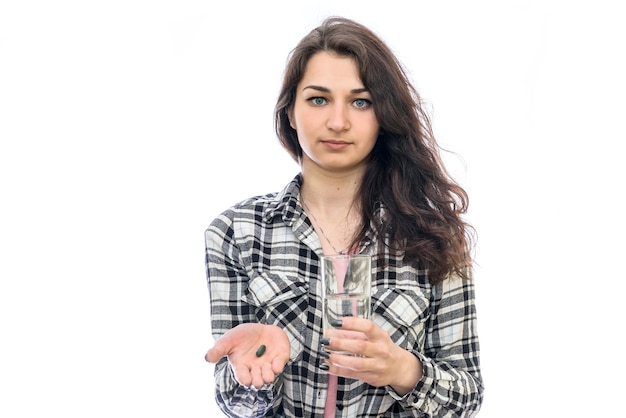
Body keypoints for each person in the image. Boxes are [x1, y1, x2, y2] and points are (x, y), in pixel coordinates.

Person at [204, 16, 483, 417]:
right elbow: (236, 405)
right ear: (290, 112)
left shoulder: (433, 233)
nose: (338, 121)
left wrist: (404, 370)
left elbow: (467, 395)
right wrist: (256, 374)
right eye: (318, 99)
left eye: (360, 101)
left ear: (384, 115)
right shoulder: (236, 232)